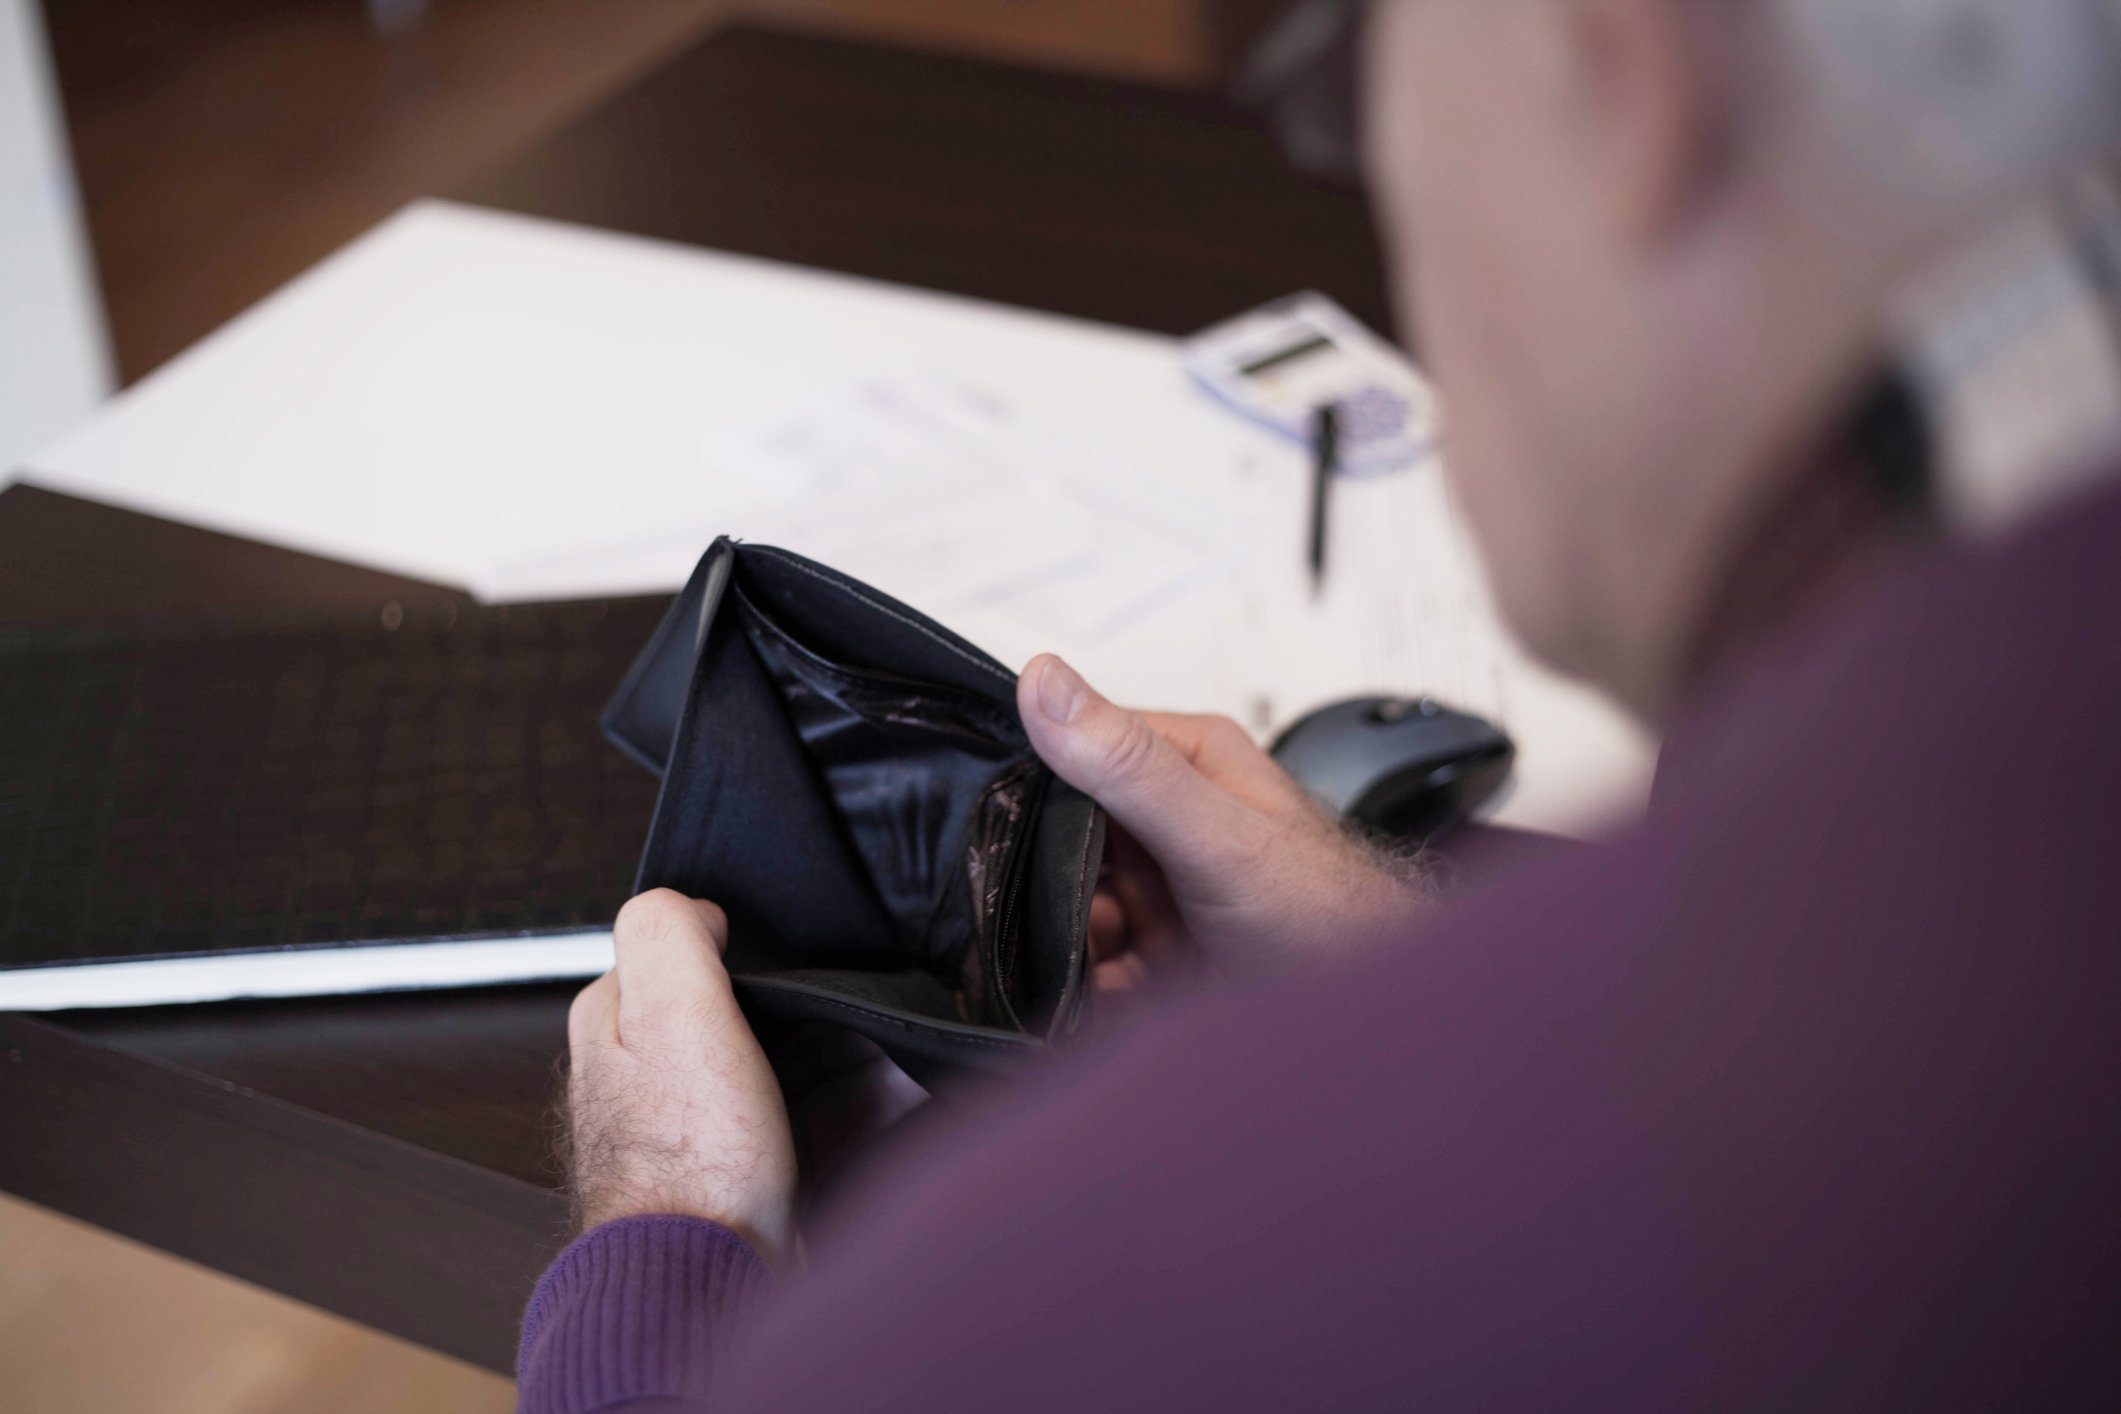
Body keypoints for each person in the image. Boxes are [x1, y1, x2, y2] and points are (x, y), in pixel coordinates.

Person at [519, 2, 2121, 1408]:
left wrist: (668, 1255)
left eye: (1349, 85)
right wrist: (1419, 934)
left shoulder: (1071, 1311)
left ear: (1614, 66)